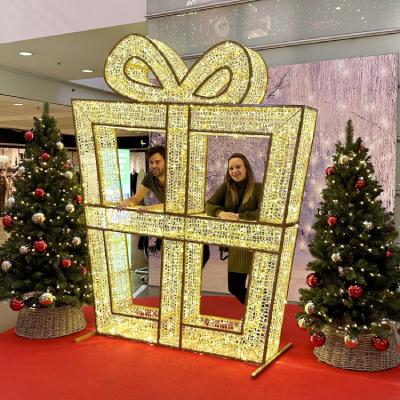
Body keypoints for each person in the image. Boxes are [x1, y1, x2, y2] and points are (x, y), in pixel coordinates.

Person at [117, 145, 209, 265]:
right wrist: (127, 202)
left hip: (193, 224)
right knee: (172, 263)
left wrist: (149, 208)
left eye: (157, 162)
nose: (154, 166)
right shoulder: (150, 176)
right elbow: (136, 198)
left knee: (198, 260)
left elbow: (176, 205)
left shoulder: (177, 176)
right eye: (151, 162)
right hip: (173, 226)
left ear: (167, 161)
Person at [206, 153, 262, 304]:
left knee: (259, 287)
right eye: (231, 168)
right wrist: (220, 213)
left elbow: (264, 212)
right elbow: (209, 204)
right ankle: (258, 308)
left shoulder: (258, 188)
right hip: (236, 246)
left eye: (238, 167)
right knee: (235, 287)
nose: (234, 171)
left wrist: (240, 216)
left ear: (246, 168)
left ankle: (259, 312)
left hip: (254, 244)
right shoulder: (226, 187)